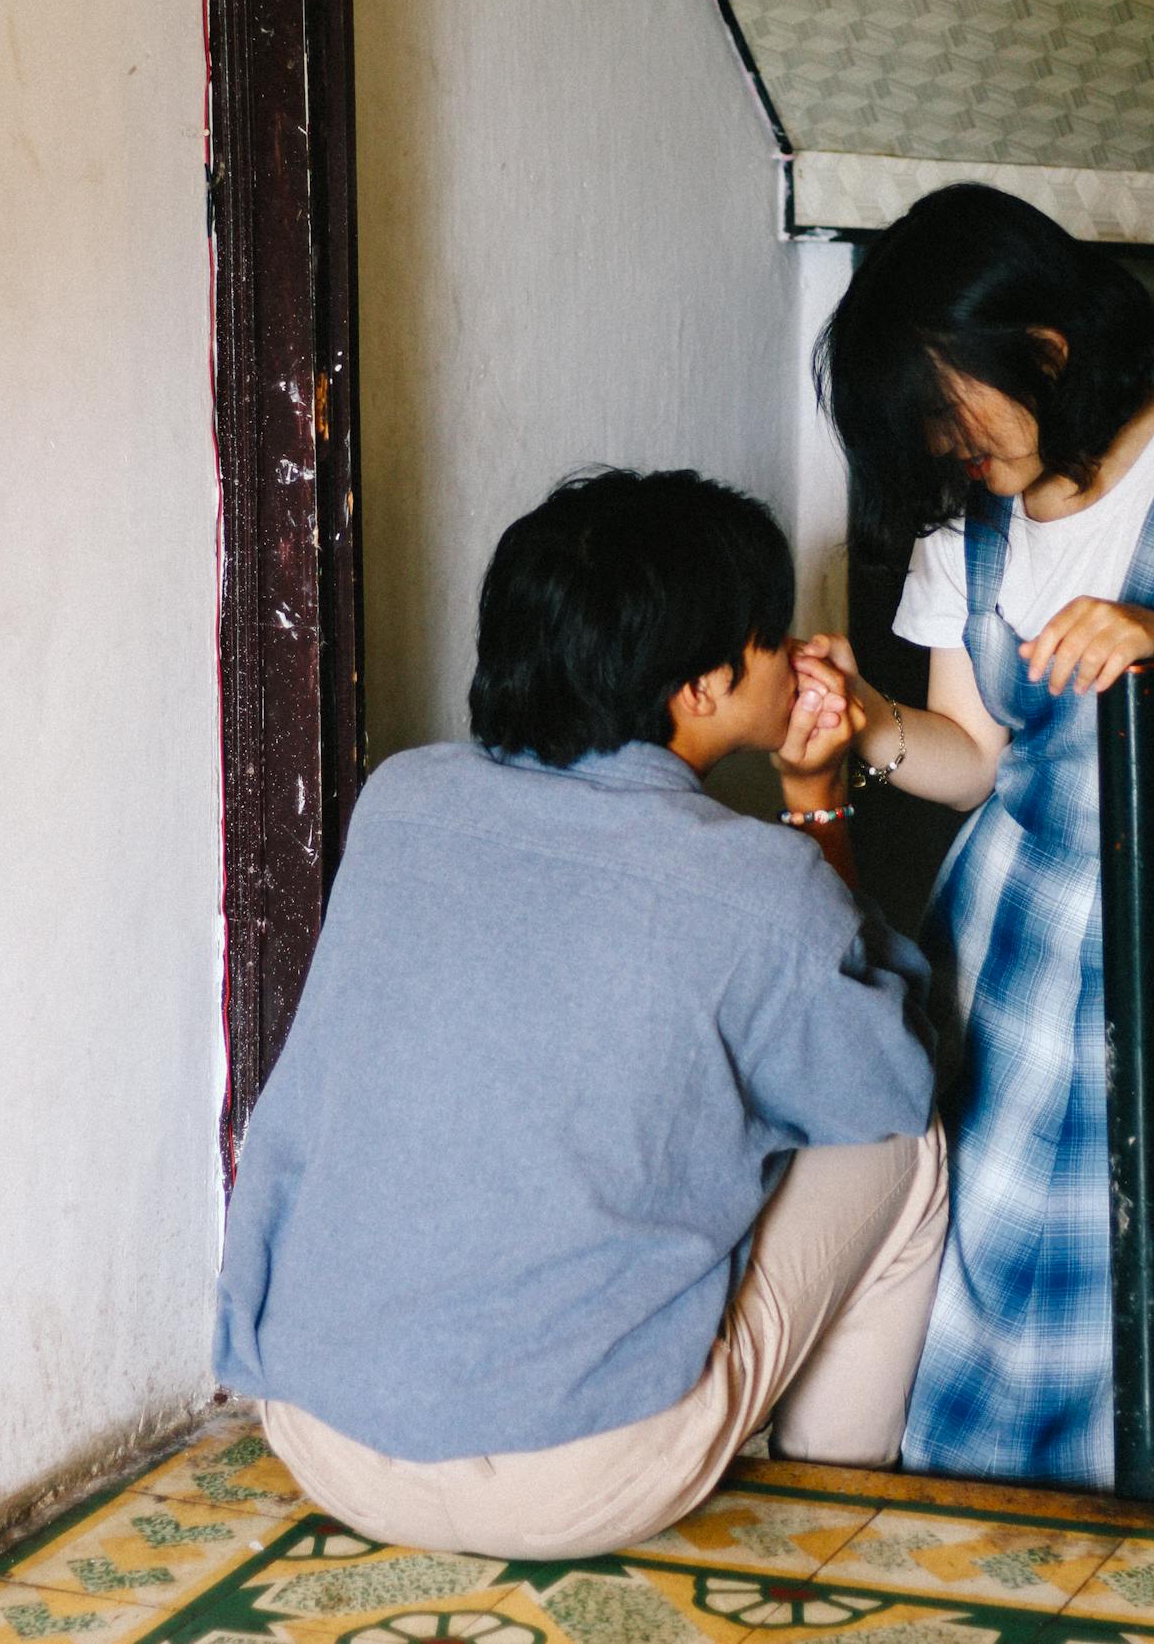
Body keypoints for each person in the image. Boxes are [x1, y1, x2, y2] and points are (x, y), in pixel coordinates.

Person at [214, 468, 946, 1559]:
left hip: (322, 1433)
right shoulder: (753, 884)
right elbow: (886, 1082)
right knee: (906, 1140)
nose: (794, 656)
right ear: (699, 687)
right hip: (575, 1481)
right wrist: (814, 802)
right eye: (770, 636)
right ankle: (836, 1497)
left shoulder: (402, 800)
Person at [810, 184, 1154, 1490]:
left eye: (951, 409)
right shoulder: (971, 530)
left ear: (1047, 348)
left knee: (1119, 1256)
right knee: (976, 1241)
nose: (945, 450)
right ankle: (977, 1531)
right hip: (1007, 936)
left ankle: (1121, 1512)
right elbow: (976, 765)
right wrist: (867, 722)